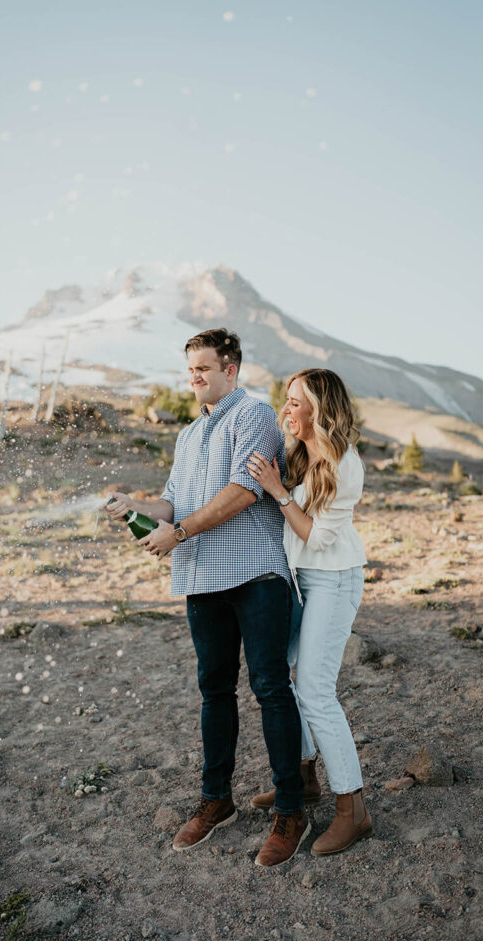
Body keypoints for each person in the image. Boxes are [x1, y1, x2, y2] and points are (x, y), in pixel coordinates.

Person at [105, 328, 310, 868]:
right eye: (190, 369)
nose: (195, 377)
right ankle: (216, 800)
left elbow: (244, 492)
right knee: (214, 691)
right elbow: (172, 502)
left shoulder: (255, 415)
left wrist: (181, 533)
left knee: (270, 689)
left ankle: (291, 808)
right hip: (203, 580)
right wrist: (137, 504)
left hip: (256, 575)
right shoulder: (190, 433)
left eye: (205, 368)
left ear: (231, 370)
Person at [246, 368, 372, 855]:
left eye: (296, 402)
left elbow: (318, 538)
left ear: (320, 409)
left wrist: (278, 492)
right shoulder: (298, 453)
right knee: (284, 678)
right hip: (299, 582)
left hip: (335, 581)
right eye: (286, 399)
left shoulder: (345, 464)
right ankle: (302, 781)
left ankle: (353, 809)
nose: (286, 410)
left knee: (316, 690)